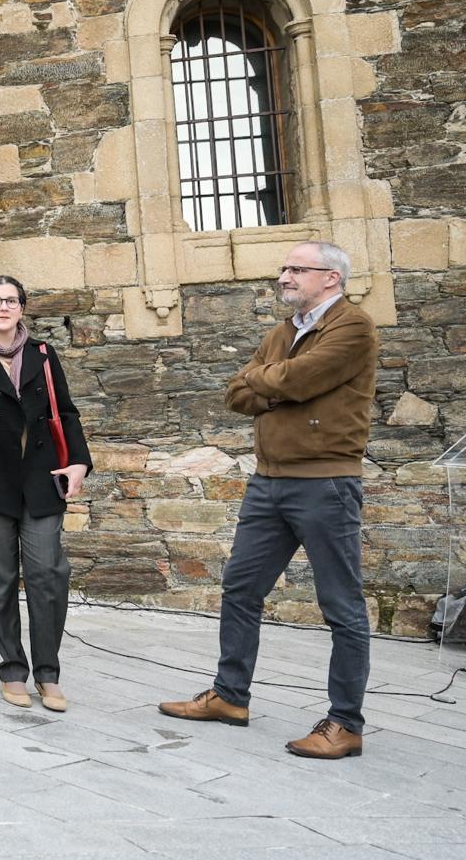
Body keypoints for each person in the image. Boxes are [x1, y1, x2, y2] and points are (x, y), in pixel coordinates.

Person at [160, 242, 378, 759]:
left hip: (325, 482)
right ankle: (230, 697)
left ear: (331, 278)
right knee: (240, 587)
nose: (284, 276)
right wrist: (278, 382)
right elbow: (237, 394)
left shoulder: (352, 326)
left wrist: (274, 381)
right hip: (269, 481)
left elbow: (297, 379)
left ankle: (345, 724)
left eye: (297, 269)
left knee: (341, 605)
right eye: (284, 268)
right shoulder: (284, 332)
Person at [0, 276, 90, 712]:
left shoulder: (43, 354)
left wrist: (79, 461)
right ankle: (12, 668)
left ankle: (48, 672)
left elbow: (65, 411)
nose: (3, 307)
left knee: (48, 575)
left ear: (22, 308)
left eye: (11, 300)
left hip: (41, 483)